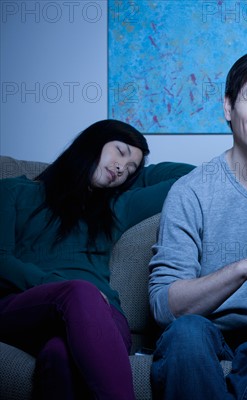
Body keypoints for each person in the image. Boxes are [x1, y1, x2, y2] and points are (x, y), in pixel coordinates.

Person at [148, 50, 247, 400]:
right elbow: (165, 307)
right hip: (204, 332)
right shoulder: (191, 192)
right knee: (187, 332)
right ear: (228, 107)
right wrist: (245, 268)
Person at [0, 119, 194, 400]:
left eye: (130, 169)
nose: (121, 168)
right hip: (28, 306)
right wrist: (60, 286)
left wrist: (135, 173)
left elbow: (190, 179)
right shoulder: (13, 191)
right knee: (79, 290)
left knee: (59, 354)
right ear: (92, 142)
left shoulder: (115, 207)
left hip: (99, 314)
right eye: (120, 152)